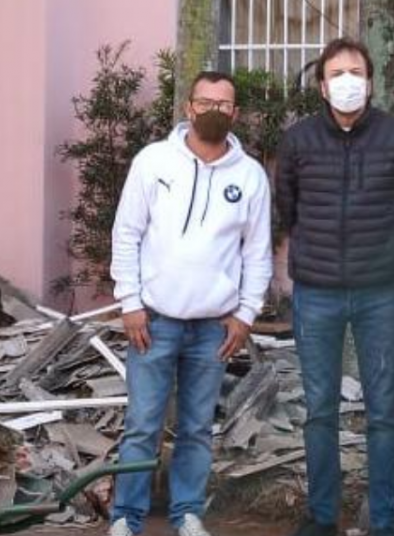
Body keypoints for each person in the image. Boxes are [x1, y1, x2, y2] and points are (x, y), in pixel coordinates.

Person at [109, 71, 273, 536]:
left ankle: (186, 514)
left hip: (213, 329)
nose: (213, 111)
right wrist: (130, 302)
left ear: (235, 113)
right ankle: (126, 518)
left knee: (198, 427)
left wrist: (245, 314)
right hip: (154, 321)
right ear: (188, 108)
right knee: (142, 425)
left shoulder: (250, 176)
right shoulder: (153, 161)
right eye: (205, 102)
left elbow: (257, 252)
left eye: (223, 104)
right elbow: (126, 233)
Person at [276, 37, 394, 536]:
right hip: (316, 292)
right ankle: (322, 517)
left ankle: (382, 519)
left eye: (355, 72)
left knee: (383, 411)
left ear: (371, 81)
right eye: (336, 73)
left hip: (381, 291)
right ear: (322, 86)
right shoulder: (298, 140)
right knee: (320, 410)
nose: (347, 82)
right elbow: (288, 207)